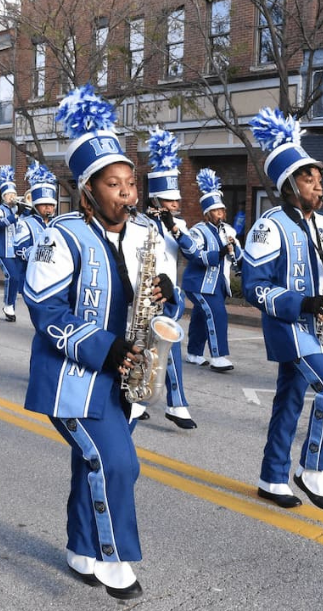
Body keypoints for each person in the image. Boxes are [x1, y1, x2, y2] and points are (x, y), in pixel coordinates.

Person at [23, 85, 175, 600]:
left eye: (130, 183)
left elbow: (159, 294)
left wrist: (166, 291)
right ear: (87, 189)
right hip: (73, 380)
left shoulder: (144, 233)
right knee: (116, 464)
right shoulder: (59, 235)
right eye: (114, 185)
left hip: (124, 378)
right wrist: (103, 347)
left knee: (90, 464)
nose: (127, 194)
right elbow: (45, 310)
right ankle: (115, 560)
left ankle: (79, 548)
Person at [243, 108, 323, 512]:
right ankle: (311, 468)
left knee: (290, 401)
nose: (318, 185)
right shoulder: (269, 224)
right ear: (289, 185)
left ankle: (271, 476)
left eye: (318, 178)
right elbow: (252, 286)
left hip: (316, 326)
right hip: (289, 326)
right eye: (308, 178)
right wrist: (303, 303)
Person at [143, 127, 198, 429]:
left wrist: (174, 228)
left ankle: (174, 404)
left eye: (176, 201)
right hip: (145, 293)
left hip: (171, 294)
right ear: (157, 200)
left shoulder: (179, 224)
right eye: (169, 200)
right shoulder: (138, 222)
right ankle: (141, 399)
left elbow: (195, 254)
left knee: (169, 346)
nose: (176, 204)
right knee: (142, 346)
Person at [182, 167, 240, 374]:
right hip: (199, 282)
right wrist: (222, 252)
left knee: (200, 316)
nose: (220, 214)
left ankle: (194, 353)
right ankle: (218, 356)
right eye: (216, 211)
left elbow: (238, 255)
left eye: (222, 211)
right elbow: (195, 255)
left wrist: (235, 249)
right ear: (207, 213)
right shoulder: (198, 230)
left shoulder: (229, 230)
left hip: (217, 284)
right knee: (217, 314)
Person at [0, 165, 23, 321]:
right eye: (9, 194)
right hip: (4, 250)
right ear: (3, 196)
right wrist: (14, 217)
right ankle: (8, 305)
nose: (12, 196)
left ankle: (11, 306)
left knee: (18, 278)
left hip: (16, 251)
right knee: (12, 276)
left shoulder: (18, 209)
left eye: (14, 193)